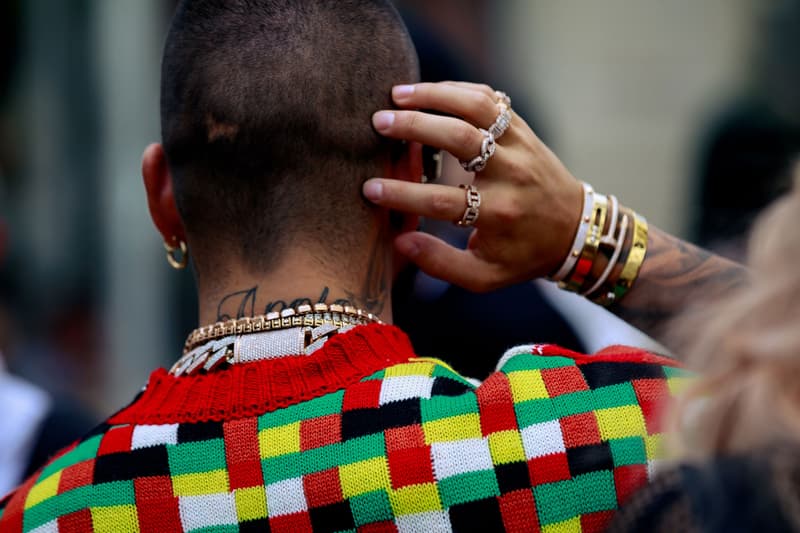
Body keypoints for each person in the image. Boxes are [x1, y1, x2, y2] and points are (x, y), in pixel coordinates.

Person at [0, 1, 739, 531]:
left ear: (163, 196)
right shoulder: (581, 443)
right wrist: (591, 234)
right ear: (414, 183)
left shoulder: (52, 509)